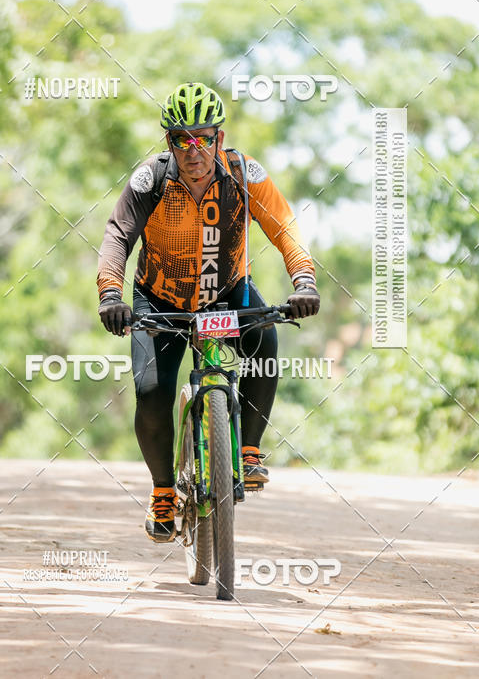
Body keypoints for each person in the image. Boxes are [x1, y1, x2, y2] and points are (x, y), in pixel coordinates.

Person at [97, 82, 319, 542]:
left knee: (265, 338)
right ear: (169, 143)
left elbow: (285, 228)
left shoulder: (244, 173)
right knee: (153, 391)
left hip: (228, 293)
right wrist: (110, 295)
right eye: (182, 139)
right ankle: (162, 492)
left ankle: (250, 450)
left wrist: (304, 281)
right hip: (160, 300)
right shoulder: (151, 178)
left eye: (203, 138)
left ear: (219, 138)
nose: (193, 150)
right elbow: (117, 236)